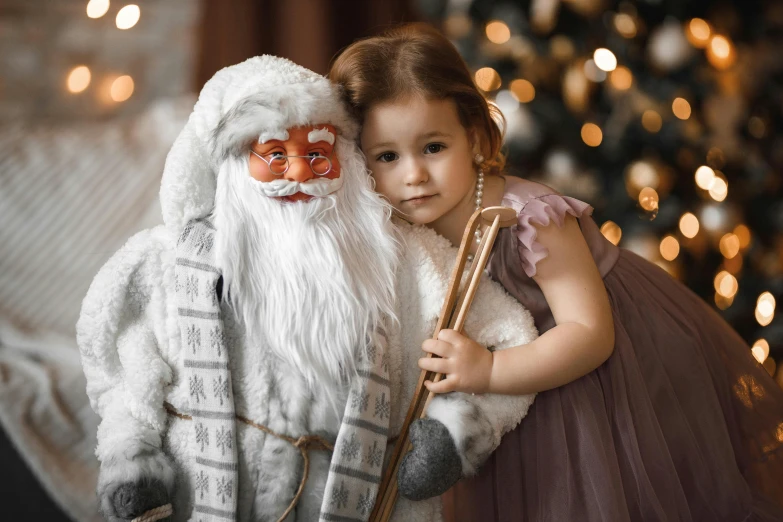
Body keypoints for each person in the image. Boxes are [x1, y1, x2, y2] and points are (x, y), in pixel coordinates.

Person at [330, 23, 783, 521]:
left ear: (476, 138)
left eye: (433, 147)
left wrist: (491, 371)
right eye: (387, 157)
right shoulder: (394, 228)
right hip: (503, 396)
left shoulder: (533, 219)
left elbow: (590, 334)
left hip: (596, 381)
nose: (413, 174)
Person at [77, 55, 537, 522]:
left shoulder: (404, 257)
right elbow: (123, 369)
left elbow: (509, 333)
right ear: (234, 164)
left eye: (317, 154)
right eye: (276, 155)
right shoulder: (165, 263)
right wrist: (130, 459)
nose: (299, 173)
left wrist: (454, 435)